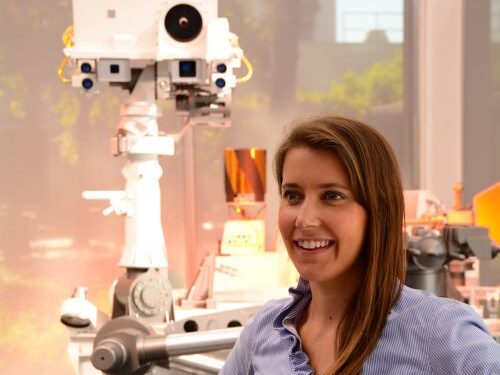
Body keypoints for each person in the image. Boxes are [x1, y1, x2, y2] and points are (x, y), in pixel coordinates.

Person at [220, 115, 500, 375]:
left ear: (377, 211)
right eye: (293, 195)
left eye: (332, 196)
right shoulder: (265, 331)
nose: (304, 219)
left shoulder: (441, 331)